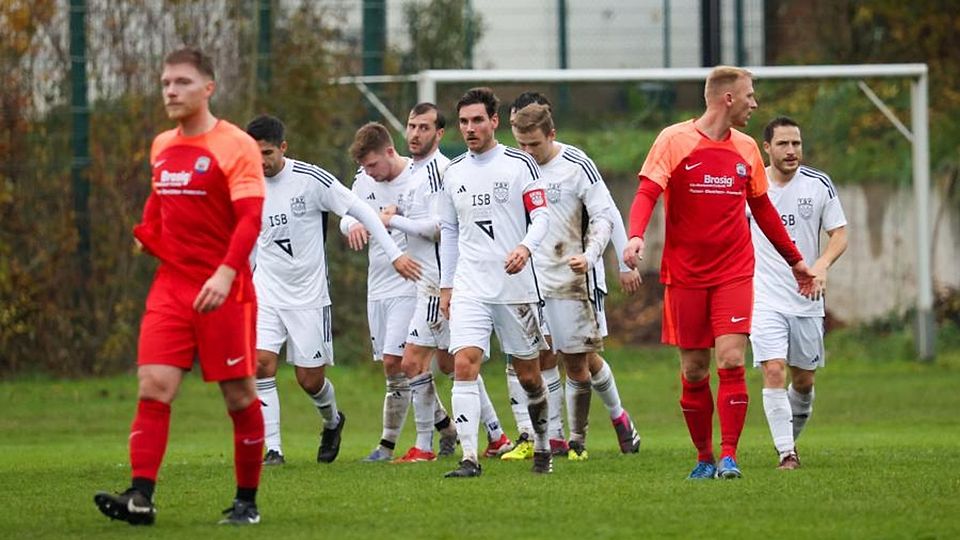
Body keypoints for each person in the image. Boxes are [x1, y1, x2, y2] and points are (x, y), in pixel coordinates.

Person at [94, 48, 267, 525]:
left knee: (238, 396)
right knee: (154, 385)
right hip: (172, 286)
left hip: (224, 287)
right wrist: (147, 233)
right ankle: (140, 496)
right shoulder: (161, 145)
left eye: (182, 82)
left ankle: (246, 502)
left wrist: (226, 272)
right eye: (166, 82)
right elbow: (159, 202)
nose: (171, 90)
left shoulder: (236, 145)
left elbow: (250, 219)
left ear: (208, 88)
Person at [624, 66, 818, 480]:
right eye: (750, 95)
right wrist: (636, 236)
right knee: (694, 369)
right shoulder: (673, 140)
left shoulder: (748, 148)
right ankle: (704, 457)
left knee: (730, 360)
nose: (755, 103)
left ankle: (730, 456)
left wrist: (795, 258)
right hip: (685, 276)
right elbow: (647, 190)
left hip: (733, 272)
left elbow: (763, 209)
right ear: (728, 98)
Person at [245, 115, 419, 466]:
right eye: (253, 154)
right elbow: (248, 238)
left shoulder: (311, 180)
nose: (260, 161)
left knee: (309, 380)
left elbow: (364, 214)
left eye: (266, 153)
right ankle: (273, 450)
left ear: (282, 148)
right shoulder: (247, 184)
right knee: (261, 365)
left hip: (308, 297)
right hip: (266, 291)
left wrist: (395, 253)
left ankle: (332, 421)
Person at [500, 92, 643, 461]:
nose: (527, 151)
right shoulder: (515, 166)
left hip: (575, 277)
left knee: (579, 360)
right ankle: (557, 439)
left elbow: (605, 214)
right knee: (543, 354)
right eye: (521, 145)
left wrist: (600, 257)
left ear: (552, 134)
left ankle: (605, 424)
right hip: (532, 278)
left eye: (534, 144)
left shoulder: (576, 164)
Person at [382, 103, 513, 463]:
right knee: (452, 365)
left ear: (440, 134)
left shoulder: (441, 171)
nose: (414, 134)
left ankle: (425, 445)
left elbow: (439, 228)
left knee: (410, 363)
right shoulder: (413, 172)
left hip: (437, 280)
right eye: (411, 126)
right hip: (427, 283)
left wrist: (394, 221)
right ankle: (498, 436)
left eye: (424, 127)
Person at [438, 87, 553, 477]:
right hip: (470, 284)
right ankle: (469, 457)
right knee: (464, 363)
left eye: (477, 120)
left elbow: (542, 218)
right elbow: (450, 232)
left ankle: (541, 444)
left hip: (513, 287)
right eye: (464, 122)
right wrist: (447, 285)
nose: (470, 128)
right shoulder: (452, 172)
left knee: (529, 376)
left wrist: (524, 248)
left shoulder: (520, 165)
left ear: (494, 122)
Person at [341, 122, 451, 462]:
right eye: (364, 168)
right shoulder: (363, 180)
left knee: (399, 362)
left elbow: (436, 227)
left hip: (410, 282)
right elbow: (346, 214)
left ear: (390, 152)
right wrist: (354, 225)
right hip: (378, 285)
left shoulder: (417, 179)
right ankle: (446, 427)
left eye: (374, 165)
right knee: (393, 367)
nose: (370, 173)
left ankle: (389, 445)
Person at [750, 116, 847, 470]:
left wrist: (820, 265)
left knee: (803, 382)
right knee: (773, 370)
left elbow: (840, 234)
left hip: (805, 298)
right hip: (763, 297)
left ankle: (789, 440)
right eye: (783, 144)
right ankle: (786, 453)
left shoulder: (818, 184)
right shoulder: (752, 185)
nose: (791, 151)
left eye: (796, 144)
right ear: (767, 147)